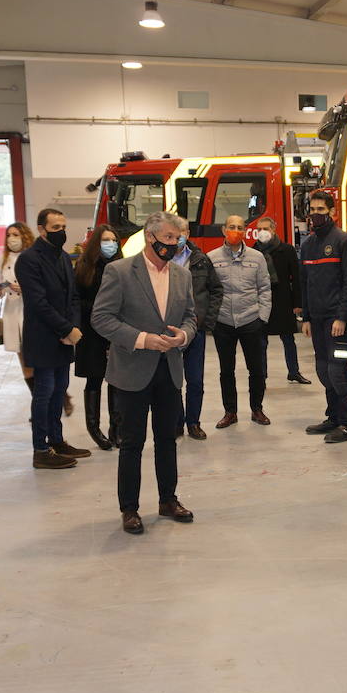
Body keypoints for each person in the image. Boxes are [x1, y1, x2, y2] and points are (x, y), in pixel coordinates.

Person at [91, 211, 199, 534]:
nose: (174, 244)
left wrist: (184, 336)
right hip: (132, 372)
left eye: (177, 239)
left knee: (168, 439)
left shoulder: (182, 276)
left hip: (169, 371)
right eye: (168, 237)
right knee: (132, 443)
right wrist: (142, 339)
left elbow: (191, 317)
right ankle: (130, 509)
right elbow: (101, 318)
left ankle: (168, 499)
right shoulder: (120, 271)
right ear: (150, 236)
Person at [16, 208, 90, 469]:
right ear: (41, 229)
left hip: (64, 337)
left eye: (63, 226)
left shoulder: (61, 256)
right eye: (56, 227)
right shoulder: (28, 260)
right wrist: (65, 329)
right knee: (44, 394)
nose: (62, 232)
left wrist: (73, 328)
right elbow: (38, 303)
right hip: (44, 337)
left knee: (59, 391)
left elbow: (73, 297)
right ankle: (41, 449)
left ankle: (57, 440)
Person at [300, 190, 347, 443]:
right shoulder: (308, 245)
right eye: (312, 210)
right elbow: (305, 284)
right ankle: (333, 417)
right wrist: (306, 317)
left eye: (321, 210)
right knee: (323, 370)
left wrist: (342, 317)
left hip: (336, 321)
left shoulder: (344, 242)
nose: (316, 214)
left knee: (338, 371)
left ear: (332, 212)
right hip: (317, 319)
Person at [209, 215, 273, 428]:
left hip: (251, 321)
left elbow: (264, 288)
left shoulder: (257, 257)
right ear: (223, 230)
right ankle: (230, 412)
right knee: (226, 370)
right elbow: (209, 291)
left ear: (246, 231)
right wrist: (212, 318)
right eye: (231, 227)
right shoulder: (212, 257)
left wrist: (262, 318)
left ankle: (257, 409)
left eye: (239, 227)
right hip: (223, 322)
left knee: (256, 369)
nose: (235, 230)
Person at [74, 225, 125, 450]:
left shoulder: (124, 267)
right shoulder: (85, 267)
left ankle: (117, 429)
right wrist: (99, 309)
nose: (110, 244)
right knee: (94, 379)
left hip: (117, 332)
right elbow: (76, 300)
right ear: (97, 242)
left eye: (113, 239)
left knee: (116, 380)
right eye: (105, 240)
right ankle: (94, 429)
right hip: (92, 332)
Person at [170, 218, 222, 439]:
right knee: (172, 380)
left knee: (195, 380)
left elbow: (216, 290)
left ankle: (193, 422)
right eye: (173, 232)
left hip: (196, 330)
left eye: (181, 231)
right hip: (169, 330)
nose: (178, 236)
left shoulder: (201, 259)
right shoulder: (161, 258)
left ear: (188, 233)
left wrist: (206, 322)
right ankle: (176, 422)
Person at [253, 216, 309, 384]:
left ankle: (294, 371)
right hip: (262, 302)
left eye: (266, 229)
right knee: (261, 342)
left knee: (288, 339)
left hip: (283, 300)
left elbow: (297, 278)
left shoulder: (287, 250)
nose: (263, 232)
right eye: (260, 229)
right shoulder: (253, 251)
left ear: (273, 229)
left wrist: (298, 303)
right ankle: (261, 375)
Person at [0, 222, 36, 399]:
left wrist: (25, 288)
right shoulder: (3, 258)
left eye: (16, 235)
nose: (11, 239)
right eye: (9, 235)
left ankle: (54, 398)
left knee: (36, 359)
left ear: (24, 236)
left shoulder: (34, 257)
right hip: (12, 312)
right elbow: (1, 286)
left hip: (31, 312)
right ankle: (38, 402)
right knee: (24, 360)